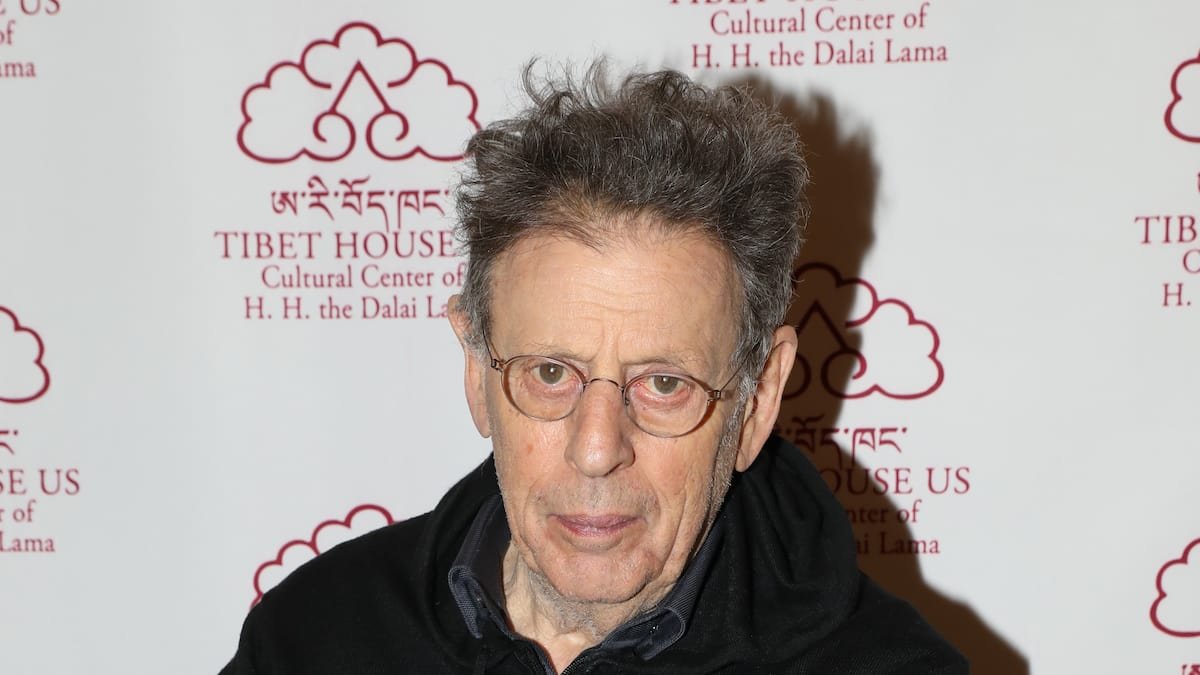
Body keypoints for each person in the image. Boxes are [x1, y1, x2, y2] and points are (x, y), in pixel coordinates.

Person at [221, 64, 967, 674]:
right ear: (478, 372)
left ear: (759, 398)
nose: (598, 447)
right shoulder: (313, 636)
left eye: (664, 384)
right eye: (551, 373)